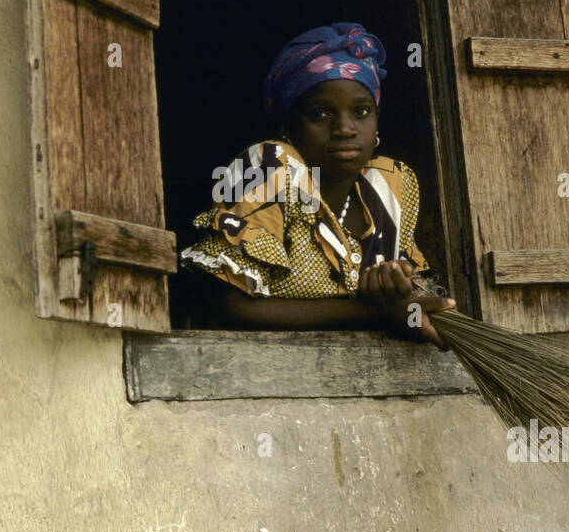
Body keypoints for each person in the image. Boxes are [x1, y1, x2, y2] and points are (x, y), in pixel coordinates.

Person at [179, 21, 455, 348]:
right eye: (320, 114)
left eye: (361, 111)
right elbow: (231, 307)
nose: (344, 128)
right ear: (288, 126)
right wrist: (374, 312)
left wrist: (397, 289)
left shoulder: (390, 184)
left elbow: (418, 289)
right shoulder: (270, 170)